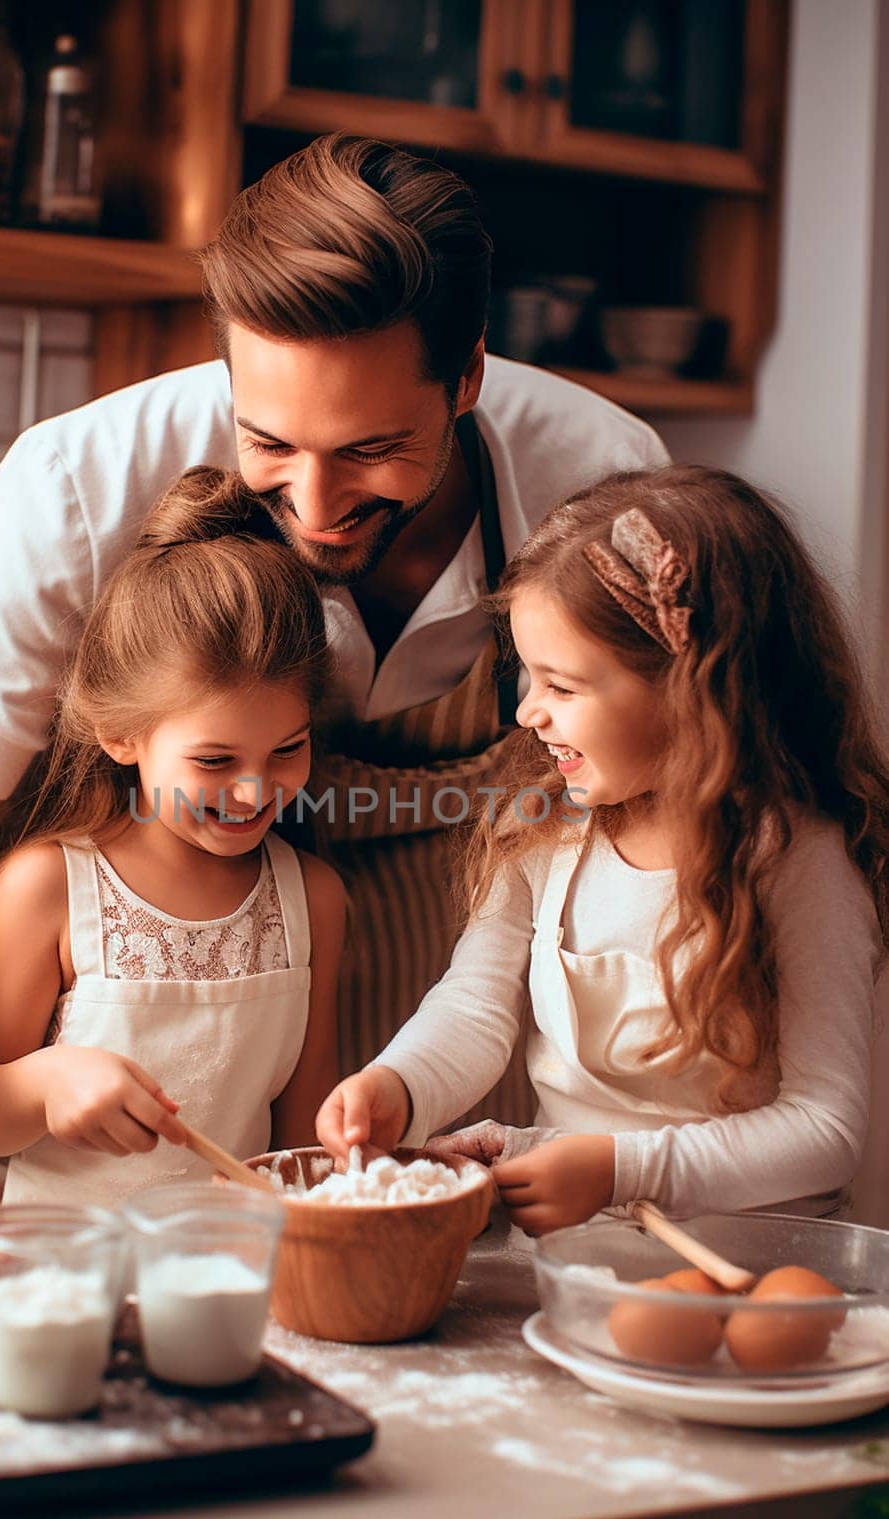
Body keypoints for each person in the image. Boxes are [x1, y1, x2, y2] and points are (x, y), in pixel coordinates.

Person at [0, 133, 666, 1280]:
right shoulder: (74, 491)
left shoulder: (599, 479)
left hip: (474, 1077)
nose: (316, 506)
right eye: (269, 442)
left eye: (372, 449)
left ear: (467, 375)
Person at [316, 465, 889, 1231]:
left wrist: (619, 1170)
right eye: (526, 677)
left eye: (562, 686)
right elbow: (474, 1006)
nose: (528, 714)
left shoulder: (797, 861)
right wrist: (399, 1083)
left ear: (693, 690)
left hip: (756, 1262)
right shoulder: (542, 823)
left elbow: (824, 1132)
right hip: (584, 1255)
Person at [0, 467, 344, 1205]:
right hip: (63, 1283)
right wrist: (45, 1084)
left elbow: (303, 1150)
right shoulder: (47, 888)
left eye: (287, 750)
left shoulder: (313, 899)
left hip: (227, 1284)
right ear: (120, 734)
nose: (254, 790)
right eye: (213, 761)